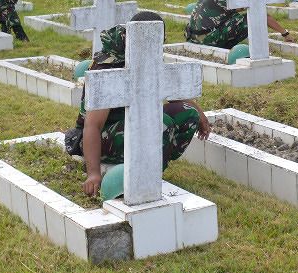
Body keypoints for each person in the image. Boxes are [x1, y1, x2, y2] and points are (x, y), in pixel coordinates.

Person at [64, 12, 210, 198]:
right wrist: (93, 173)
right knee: (161, 123)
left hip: (132, 123)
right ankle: (142, 174)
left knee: (188, 114)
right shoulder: (110, 66)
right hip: (101, 135)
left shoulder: (147, 51)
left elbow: (167, 89)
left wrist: (199, 112)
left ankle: (152, 167)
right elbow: (92, 125)